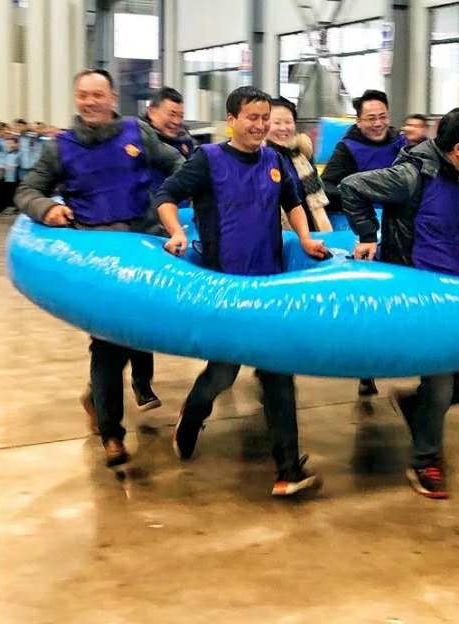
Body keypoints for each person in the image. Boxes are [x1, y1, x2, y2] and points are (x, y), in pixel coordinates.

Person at [157, 86, 331, 498]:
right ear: (231, 120)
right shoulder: (208, 160)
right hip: (227, 289)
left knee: (278, 375)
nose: (260, 125)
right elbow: (165, 196)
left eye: (265, 118)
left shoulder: (275, 160)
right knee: (222, 373)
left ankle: (288, 470)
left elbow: (292, 201)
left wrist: (305, 238)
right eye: (252, 117)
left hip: (268, 286)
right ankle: (190, 418)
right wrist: (177, 231)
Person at [14, 68, 182, 466]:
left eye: (98, 95)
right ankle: (112, 435)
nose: (90, 102)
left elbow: (178, 165)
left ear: (112, 98)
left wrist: (167, 202)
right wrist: (47, 208)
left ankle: (95, 397)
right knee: (106, 345)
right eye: (83, 95)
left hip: (142, 252)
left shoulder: (136, 134)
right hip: (97, 262)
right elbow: (27, 190)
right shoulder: (61, 147)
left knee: (135, 337)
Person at [340, 106, 459, 500]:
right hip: (418, 294)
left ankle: (414, 405)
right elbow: (351, 187)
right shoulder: (412, 175)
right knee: (442, 380)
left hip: (454, 290)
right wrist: (367, 235)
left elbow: (449, 217)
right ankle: (424, 461)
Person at [320, 89, 407, 398]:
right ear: (358, 120)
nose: (378, 123)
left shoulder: (400, 143)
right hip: (361, 226)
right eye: (371, 118)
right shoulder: (348, 148)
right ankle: (366, 368)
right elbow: (327, 186)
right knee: (369, 298)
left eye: (382, 117)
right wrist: (362, 193)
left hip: (397, 224)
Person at [266, 96, 331, 232]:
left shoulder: (301, 154)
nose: (283, 128)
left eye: (288, 122)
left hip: (310, 234)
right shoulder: (256, 159)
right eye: (276, 123)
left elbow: (318, 197)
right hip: (275, 235)